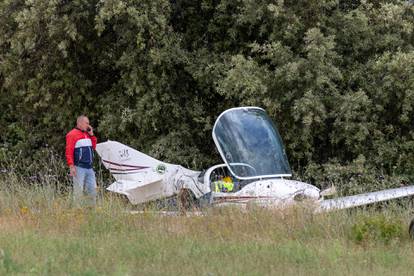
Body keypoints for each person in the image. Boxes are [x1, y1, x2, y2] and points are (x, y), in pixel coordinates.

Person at [65, 115, 97, 206]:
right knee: (78, 192)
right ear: (80, 123)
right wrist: (71, 166)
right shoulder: (72, 134)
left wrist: (92, 135)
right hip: (79, 168)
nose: (88, 125)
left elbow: (94, 147)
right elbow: (69, 151)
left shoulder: (87, 135)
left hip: (90, 168)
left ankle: (91, 211)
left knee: (92, 191)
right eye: (87, 123)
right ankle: (77, 212)